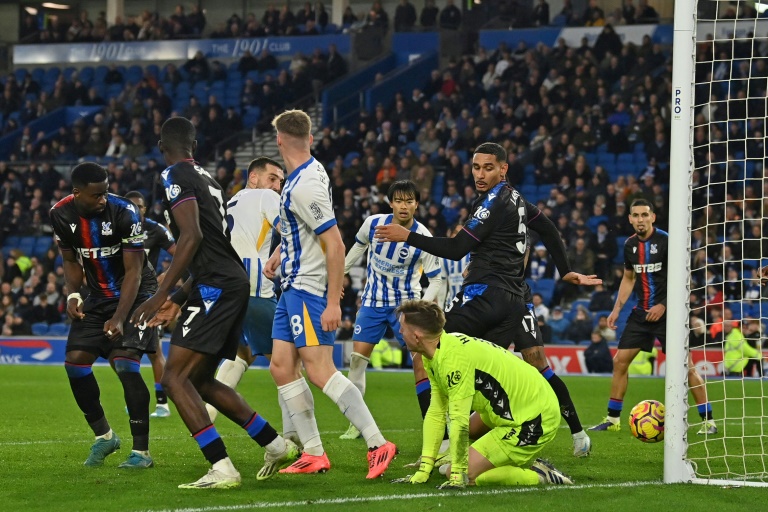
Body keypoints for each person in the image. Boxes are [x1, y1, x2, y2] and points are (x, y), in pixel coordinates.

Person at [375, 142, 598, 457]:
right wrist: (565, 270)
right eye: (476, 167)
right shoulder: (517, 199)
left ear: (503, 169)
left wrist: (407, 235)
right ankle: (477, 443)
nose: (480, 174)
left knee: (425, 351)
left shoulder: (493, 202)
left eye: (488, 168)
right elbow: (547, 228)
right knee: (486, 375)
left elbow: (456, 248)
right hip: (512, 300)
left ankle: (440, 444)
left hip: (488, 295)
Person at [129, 117, 298, 489]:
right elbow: (212, 246)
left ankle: (221, 466)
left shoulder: (174, 175)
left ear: (162, 144)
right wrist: (177, 296)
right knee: (201, 380)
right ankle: (274, 442)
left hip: (216, 285)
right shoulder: (210, 180)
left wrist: (159, 293)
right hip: (226, 281)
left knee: (174, 377)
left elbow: (191, 237)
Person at [263, 109, 397, 478]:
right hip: (291, 285)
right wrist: (278, 253)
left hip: (308, 289)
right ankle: (314, 453)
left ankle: (377, 443)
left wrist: (334, 301)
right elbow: (303, 230)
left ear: (278, 140)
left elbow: (335, 244)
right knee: (280, 366)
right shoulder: (306, 173)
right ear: (309, 138)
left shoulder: (304, 184)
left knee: (321, 371)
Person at [391, 300, 573, 488]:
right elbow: (436, 412)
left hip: (533, 418)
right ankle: (486, 457)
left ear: (417, 335)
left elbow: (458, 420)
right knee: (461, 443)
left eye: (403, 327)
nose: (400, 332)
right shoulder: (439, 350)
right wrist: (424, 468)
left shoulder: (453, 360)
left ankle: (541, 475)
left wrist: (457, 473)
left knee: (463, 474)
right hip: (514, 405)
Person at [50, 162, 158, 469]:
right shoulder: (60, 214)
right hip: (97, 296)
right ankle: (105, 437)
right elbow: (71, 261)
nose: (103, 200)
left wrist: (121, 318)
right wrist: (73, 294)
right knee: (75, 363)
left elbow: (135, 272)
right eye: (96, 195)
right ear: (76, 193)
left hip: (136, 295)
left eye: (106, 192)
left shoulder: (125, 212)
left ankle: (141, 453)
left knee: (124, 364)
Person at [589, 199, 717, 434]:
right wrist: (617, 309)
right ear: (630, 219)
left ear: (653, 217)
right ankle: (613, 420)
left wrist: (665, 305)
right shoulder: (629, 246)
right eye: (636, 215)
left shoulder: (667, 241)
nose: (640, 219)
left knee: (686, 367)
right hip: (641, 314)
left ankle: (708, 421)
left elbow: (685, 280)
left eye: (644, 215)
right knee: (619, 362)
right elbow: (629, 278)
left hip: (670, 314)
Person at [338, 180, 443, 441]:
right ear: (390, 202)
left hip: (406, 307)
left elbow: (437, 279)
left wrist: (422, 308)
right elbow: (358, 247)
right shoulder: (373, 224)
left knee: (422, 364)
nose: (403, 206)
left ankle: (433, 424)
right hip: (373, 301)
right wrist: (340, 275)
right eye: (398, 200)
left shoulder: (424, 237)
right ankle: (356, 423)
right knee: (357, 361)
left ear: (417, 204)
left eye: (409, 201)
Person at [203, 156, 287, 424]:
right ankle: (301, 440)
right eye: (272, 178)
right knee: (288, 364)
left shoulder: (232, 201)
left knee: (243, 352)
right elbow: (293, 233)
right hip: (253, 286)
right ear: (253, 177)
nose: (277, 186)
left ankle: (205, 417)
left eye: (280, 182)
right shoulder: (266, 197)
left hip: (221, 285)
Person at [124, 190, 176, 418]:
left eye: (140, 206)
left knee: (154, 352)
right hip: (124, 297)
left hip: (147, 296)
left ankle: (162, 404)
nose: (136, 210)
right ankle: (137, 399)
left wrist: (164, 278)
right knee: (127, 351)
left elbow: (180, 252)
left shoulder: (155, 230)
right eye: (132, 206)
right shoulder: (118, 229)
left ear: (145, 209)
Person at [438, 224, 471, 309]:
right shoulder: (444, 257)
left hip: (471, 305)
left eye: (463, 234)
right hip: (451, 305)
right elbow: (442, 284)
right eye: (456, 233)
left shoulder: (474, 255)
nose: (459, 237)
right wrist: (440, 306)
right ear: (450, 234)